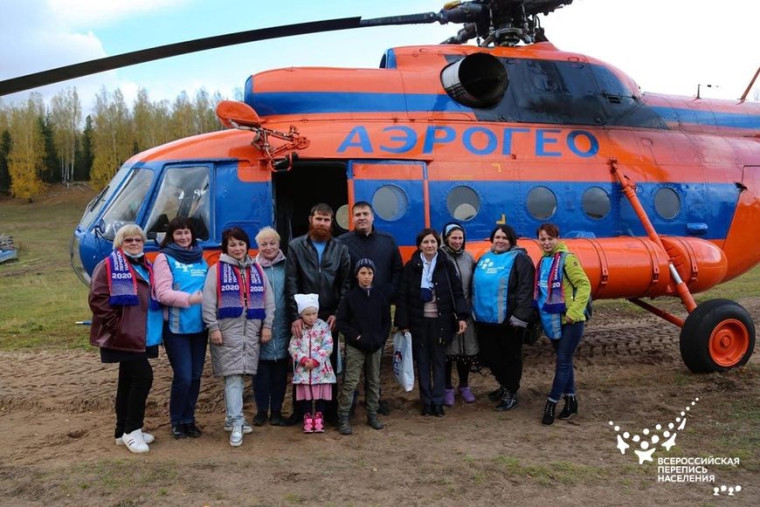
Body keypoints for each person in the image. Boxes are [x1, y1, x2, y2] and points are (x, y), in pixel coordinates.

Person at [88, 224, 162, 454]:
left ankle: (121, 432)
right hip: (123, 335)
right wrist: (116, 326)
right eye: (128, 240)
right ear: (120, 243)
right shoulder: (109, 265)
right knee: (143, 377)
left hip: (140, 334)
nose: (134, 243)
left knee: (128, 381)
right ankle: (133, 430)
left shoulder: (143, 265)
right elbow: (97, 298)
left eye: (138, 239)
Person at [202, 227, 275, 447]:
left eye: (241, 244)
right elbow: (208, 302)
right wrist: (213, 328)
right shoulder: (216, 270)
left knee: (240, 375)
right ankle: (236, 422)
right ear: (226, 247)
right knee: (232, 377)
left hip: (251, 331)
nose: (237, 248)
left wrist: (267, 326)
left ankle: (230, 418)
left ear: (246, 246)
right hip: (226, 331)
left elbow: (268, 301)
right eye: (232, 244)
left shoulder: (257, 269)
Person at [285, 203, 351, 424]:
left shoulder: (340, 248)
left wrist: (338, 314)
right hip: (303, 316)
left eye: (326, 220)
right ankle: (300, 411)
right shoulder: (296, 246)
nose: (322, 223)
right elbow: (292, 281)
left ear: (331, 222)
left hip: (329, 315)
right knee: (300, 363)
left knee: (327, 364)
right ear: (310, 219)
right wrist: (296, 315)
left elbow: (345, 283)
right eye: (318, 219)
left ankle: (328, 411)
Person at [395, 228, 469, 417]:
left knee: (438, 361)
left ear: (438, 244)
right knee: (422, 361)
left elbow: (457, 291)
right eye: (426, 242)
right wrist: (403, 322)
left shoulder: (445, 265)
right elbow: (402, 296)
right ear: (419, 245)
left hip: (440, 321)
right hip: (419, 322)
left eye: (433, 242)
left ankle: (438, 401)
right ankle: (426, 401)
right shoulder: (411, 266)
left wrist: (461, 316)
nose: (430, 245)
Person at [338, 201, 403, 415]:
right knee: (354, 359)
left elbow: (397, 271)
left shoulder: (388, 241)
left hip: (379, 308)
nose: (361, 218)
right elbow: (339, 276)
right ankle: (352, 400)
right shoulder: (342, 243)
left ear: (373, 217)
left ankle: (375, 401)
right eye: (357, 214)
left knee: (375, 358)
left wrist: (387, 295)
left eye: (365, 213)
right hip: (354, 310)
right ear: (352, 218)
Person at [153, 217, 208, 439]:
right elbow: (162, 293)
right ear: (171, 236)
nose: (184, 237)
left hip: (200, 327)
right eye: (178, 233)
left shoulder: (200, 258)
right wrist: (190, 299)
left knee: (196, 377)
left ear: (192, 234)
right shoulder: (164, 258)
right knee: (183, 376)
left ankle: (189, 420)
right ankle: (177, 420)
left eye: (186, 233)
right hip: (176, 327)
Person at [472, 225, 536, 412]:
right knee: (490, 356)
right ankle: (503, 384)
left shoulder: (520, 259)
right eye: (497, 237)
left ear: (512, 241)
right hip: (485, 319)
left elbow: (526, 290)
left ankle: (511, 391)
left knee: (510, 357)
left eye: (504, 238)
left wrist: (520, 317)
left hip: (509, 321)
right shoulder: (485, 258)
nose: (500, 240)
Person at [534, 223, 591, 425]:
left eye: (550, 238)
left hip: (571, 321)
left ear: (557, 238)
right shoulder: (543, 262)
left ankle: (551, 402)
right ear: (538, 241)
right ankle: (571, 400)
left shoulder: (568, 259)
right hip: (553, 320)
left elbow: (584, 285)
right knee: (564, 362)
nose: (547, 242)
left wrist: (574, 312)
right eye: (543, 239)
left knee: (562, 360)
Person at [336, 258, 391, 434]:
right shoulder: (350, 298)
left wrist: (380, 340)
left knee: (374, 381)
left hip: (375, 346)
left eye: (369, 273)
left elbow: (386, 322)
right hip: (356, 346)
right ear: (357, 275)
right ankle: (343, 416)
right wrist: (357, 337)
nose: (366, 277)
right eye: (363, 273)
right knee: (351, 381)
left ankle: (372, 413)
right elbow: (342, 322)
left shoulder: (380, 297)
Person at [253, 227, 291, 427]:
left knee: (280, 373)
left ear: (279, 244)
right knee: (261, 372)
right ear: (258, 246)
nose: (268, 248)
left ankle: (276, 411)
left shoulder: (288, 266)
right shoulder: (252, 267)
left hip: (284, 324)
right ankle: (261, 411)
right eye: (263, 244)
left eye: (272, 243)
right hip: (260, 326)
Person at [439, 222, 478, 406]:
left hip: (467, 310)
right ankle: (447, 387)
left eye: (460, 238)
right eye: (453, 237)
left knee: (466, 351)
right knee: (448, 351)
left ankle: (464, 385)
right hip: (447, 311)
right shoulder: (440, 257)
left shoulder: (468, 258)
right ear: (446, 238)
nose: (457, 241)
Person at [288, 293, 337, 433]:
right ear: (301, 315)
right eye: (307, 314)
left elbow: (328, 345)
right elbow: (293, 346)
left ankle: (319, 417)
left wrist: (316, 360)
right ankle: (307, 417)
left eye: (314, 313)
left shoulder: (323, 326)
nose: (311, 317)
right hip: (304, 370)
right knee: (306, 396)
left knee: (320, 394)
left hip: (321, 369)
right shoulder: (299, 329)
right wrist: (303, 359)